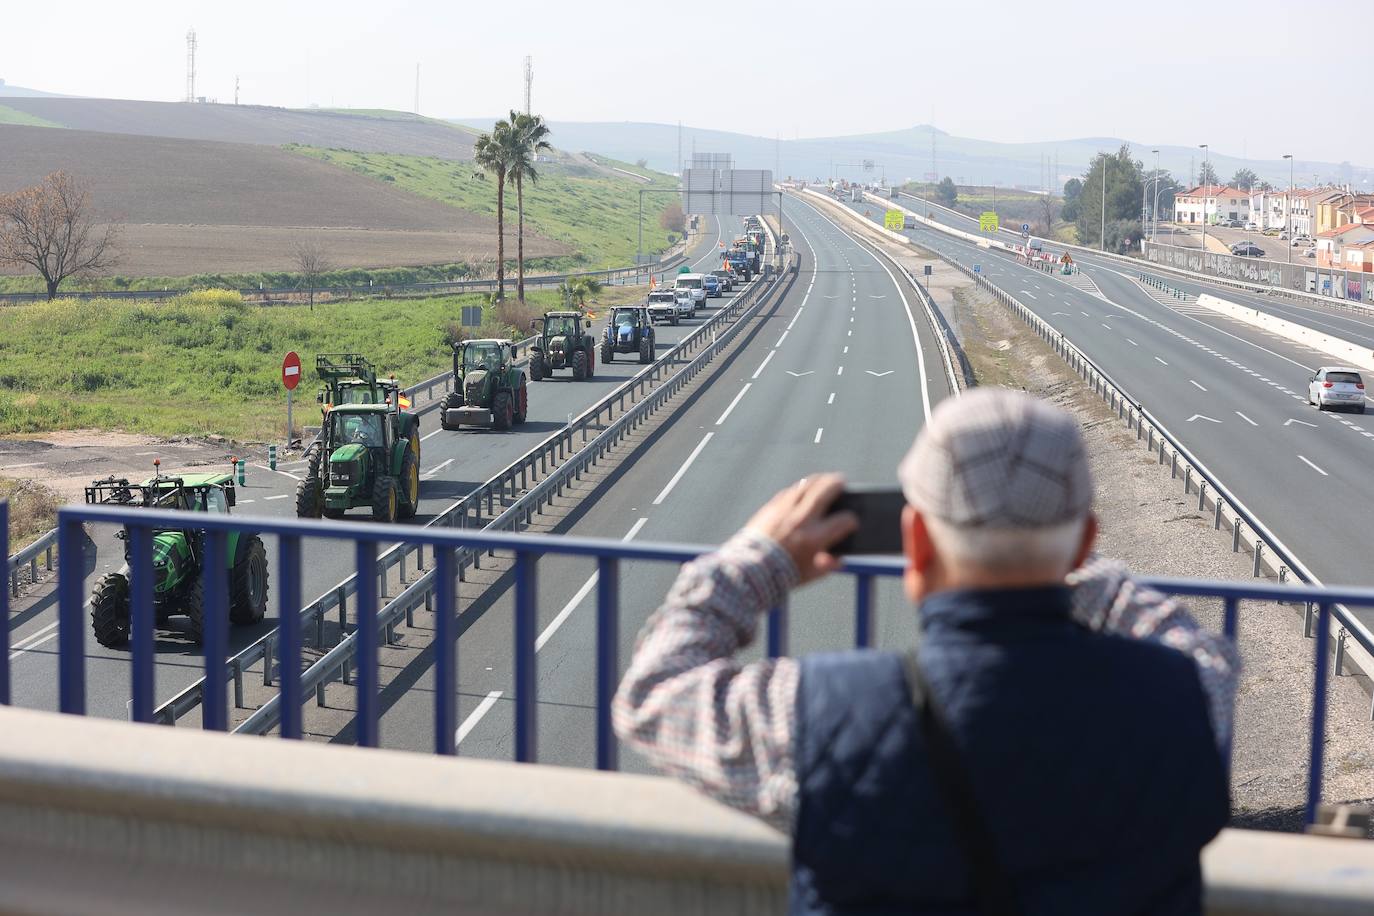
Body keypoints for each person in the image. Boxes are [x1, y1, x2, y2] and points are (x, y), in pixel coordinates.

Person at [614, 388, 1239, 915]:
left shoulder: (815, 716)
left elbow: (653, 692)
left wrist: (762, 560)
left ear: (915, 541)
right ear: (1085, 546)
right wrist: (1051, 557)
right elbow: (1183, 638)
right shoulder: (1188, 699)